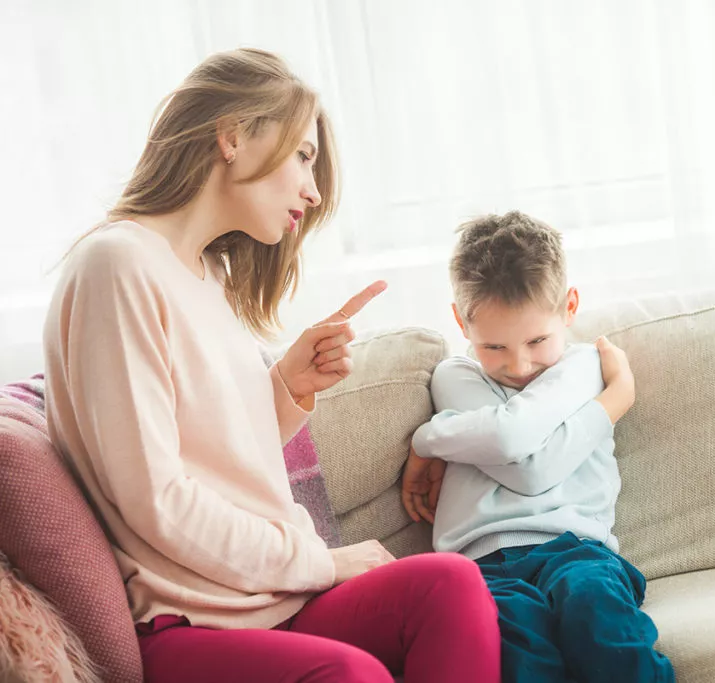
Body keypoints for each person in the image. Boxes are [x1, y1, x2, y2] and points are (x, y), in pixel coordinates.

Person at [43, 48, 500, 683]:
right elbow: (156, 498)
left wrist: (285, 385)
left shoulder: (206, 274)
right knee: (350, 674)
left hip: (272, 603)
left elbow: (220, 455)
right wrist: (318, 560)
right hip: (190, 621)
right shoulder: (117, 265)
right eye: (304, 156)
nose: (314, 191)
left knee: (451, 584)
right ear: (232, 136)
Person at [401, 211, 675, 683]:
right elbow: (518, 448)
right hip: (483, 566)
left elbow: (522, 459)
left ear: (569, 307)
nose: (520, 365)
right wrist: (612, 403)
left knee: (599, 619)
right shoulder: (455, 377)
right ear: (459, 321)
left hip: (578, 551)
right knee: (516, 652)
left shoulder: (585, 364)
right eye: (494, 347)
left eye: (537, 340)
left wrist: (430, 438)